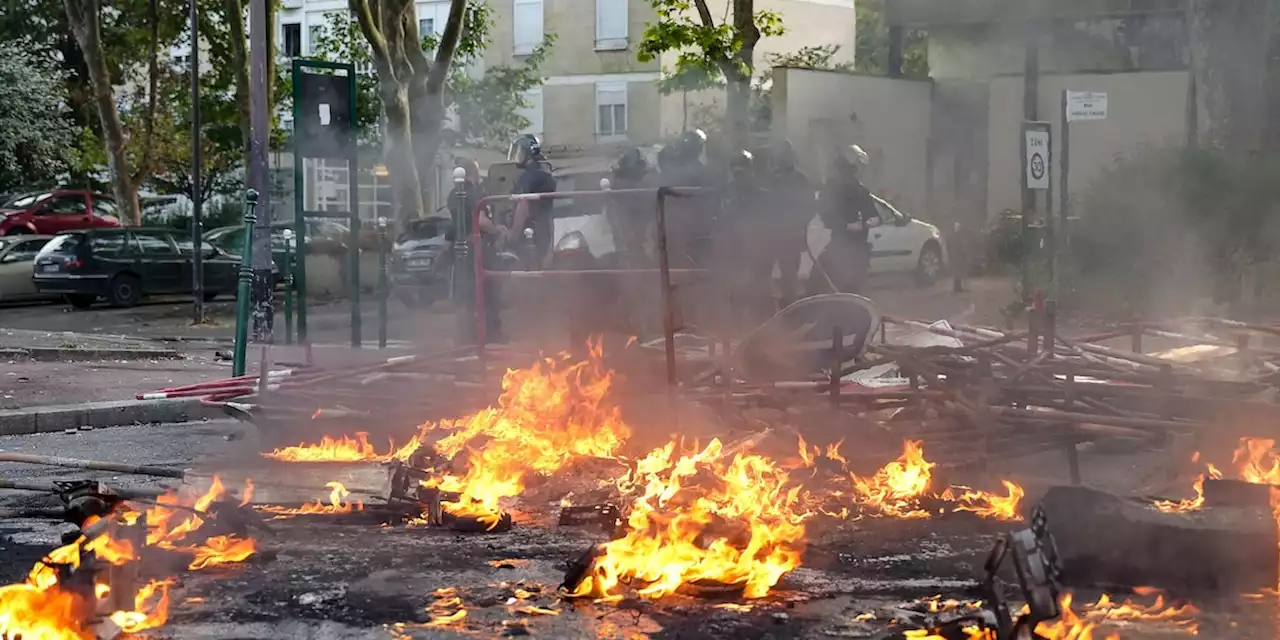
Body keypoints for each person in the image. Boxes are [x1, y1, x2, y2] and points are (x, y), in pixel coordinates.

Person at [811, 144, 880, 295]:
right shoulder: (832, 189)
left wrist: (867, 223)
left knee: (856, 291)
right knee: (825, 284)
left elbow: (874, 216)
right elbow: (825, 215)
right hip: (839, 248)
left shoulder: (861, 190)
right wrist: (846, 226)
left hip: (858, 250)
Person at [764, 141, 812, 308]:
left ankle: (789, 312)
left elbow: (809, 208)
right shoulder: (769, 180)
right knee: (766, 278)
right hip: (772, 236)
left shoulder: (799, 180)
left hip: (789, 237)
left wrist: (798, 225)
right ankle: (773, 312)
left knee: (788, 280)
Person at [506, 133, 557, 268]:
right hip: (543, 231)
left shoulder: (529, 176)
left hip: (529, 234)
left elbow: (523, 205)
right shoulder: (544, 173)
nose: (517, 155)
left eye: (520, 151)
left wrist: (513, 235)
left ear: (529, 153)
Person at [608, 147, 652, 266]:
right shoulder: (628, 183)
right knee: (632, 247)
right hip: (631, 221)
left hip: (631, 223)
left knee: (630, 248)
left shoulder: (618, 180)